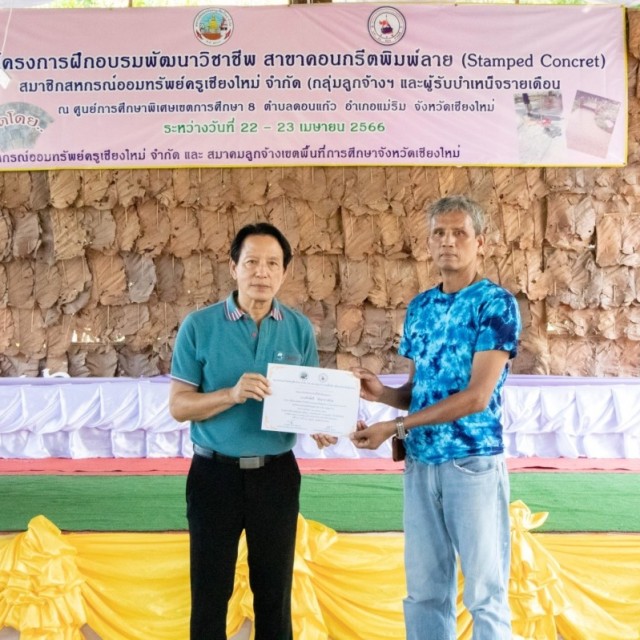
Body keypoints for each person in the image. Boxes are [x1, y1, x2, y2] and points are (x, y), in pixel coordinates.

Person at [351, 195, 521, 640]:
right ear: (428, 243)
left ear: (480, 243)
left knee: (485, 593)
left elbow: (477, 397)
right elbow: (419, 392)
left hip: (472, 463)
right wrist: (383, 394)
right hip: (421, 462)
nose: (448, 241)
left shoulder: (496, 304)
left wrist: (396, 427)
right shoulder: (420, 307)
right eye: (439, 233)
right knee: (425, 592)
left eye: (459, 232)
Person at [169, 222, 331, 640]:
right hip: (213, 476)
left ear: (285, 272)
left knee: (274, 596)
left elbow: (308, 398)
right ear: (233, 267)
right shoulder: (199, 326)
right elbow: (179, 406)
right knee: (210, 594)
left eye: (273, 264)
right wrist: (231, 394)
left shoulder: (298, 329)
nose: (262, 272)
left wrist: (321, 424)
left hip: (276, 475)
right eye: (252, 262)